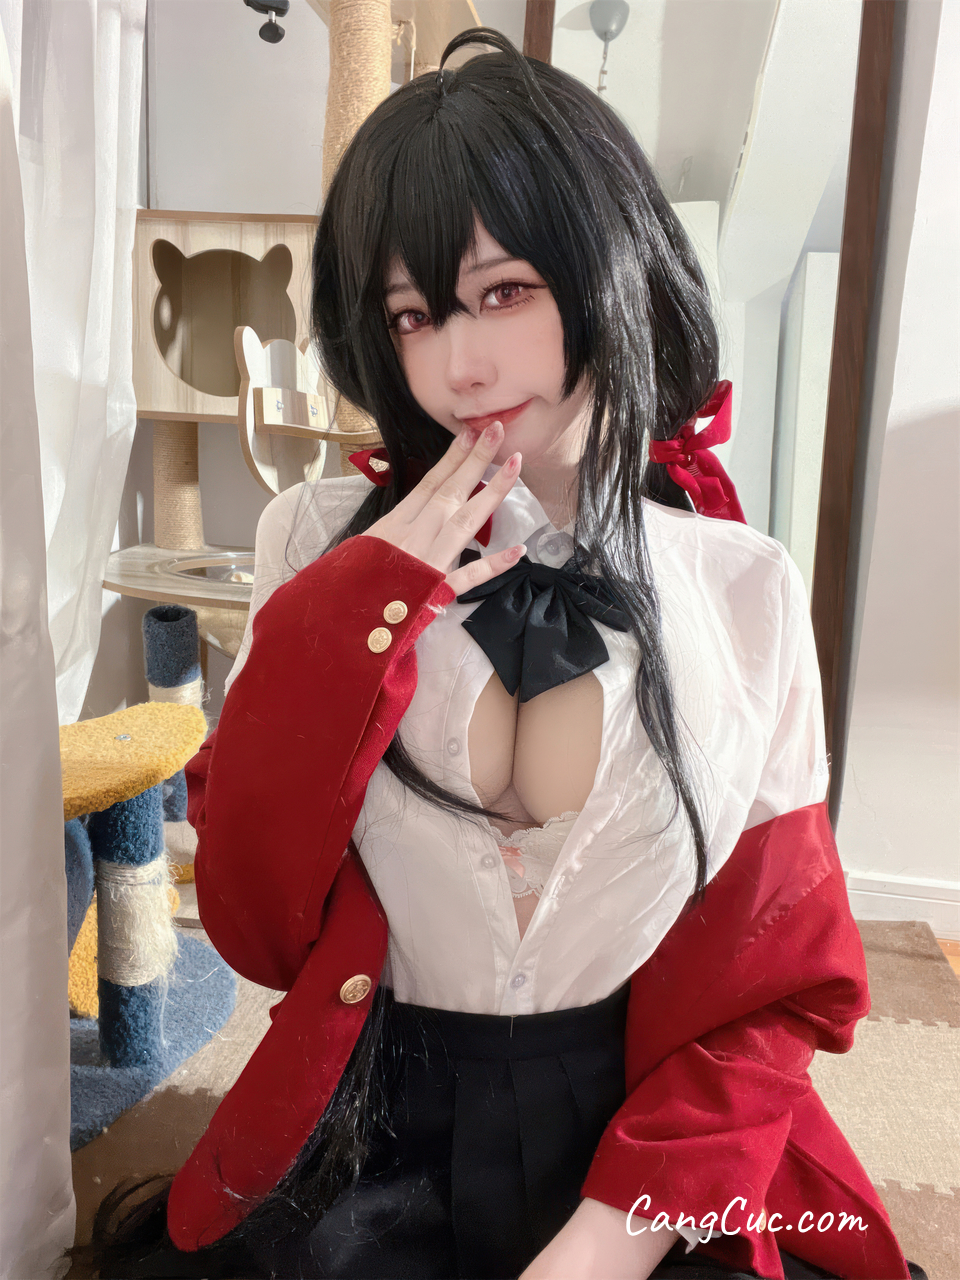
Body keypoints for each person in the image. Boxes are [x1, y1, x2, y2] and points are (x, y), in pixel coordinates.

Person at [82, 27, 925, 1280]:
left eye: (506, 292)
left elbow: (775, 978)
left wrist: (609, 1240)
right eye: (413, 315)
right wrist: (352, 615)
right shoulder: (313, 539)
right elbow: (255, 925)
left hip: (645, 1149)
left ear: (609, 270)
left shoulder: (741, 586)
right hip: (375, 1131)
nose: (458, 366)